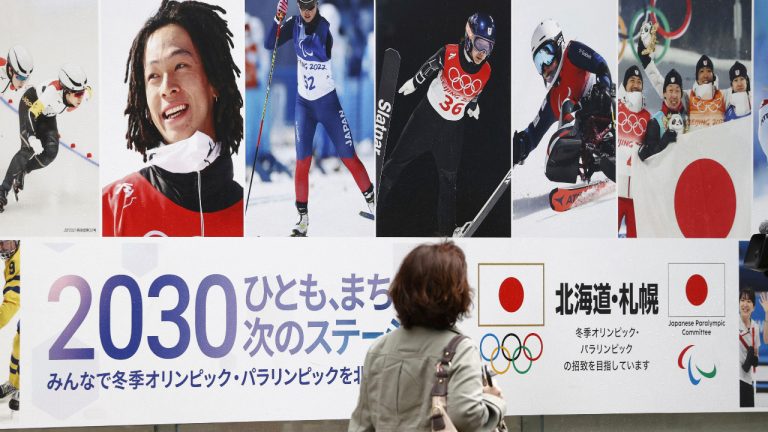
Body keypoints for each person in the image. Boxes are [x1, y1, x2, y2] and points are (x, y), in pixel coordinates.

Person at [102, 0, 244, 237]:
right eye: (154, 76)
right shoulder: (111, 207)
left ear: (214, 81)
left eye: (180, 65)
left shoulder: (251, 215)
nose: (167, 88)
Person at [349, 241, 506, 431]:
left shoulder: (379, 348)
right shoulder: (461, 349)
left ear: (401, 287)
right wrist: (493, 401)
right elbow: (466, 416)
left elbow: (361, 425)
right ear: (456, 291)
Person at [378, 13, 495, 236]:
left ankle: (446, 235)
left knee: (449, 184)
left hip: (451, 131)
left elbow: (476, 90)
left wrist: (472, 105)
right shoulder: (450, 52)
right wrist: (414, 82)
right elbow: (429, 67)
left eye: (489, 47)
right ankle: (376, 204)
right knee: (395, 166)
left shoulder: (487, 71)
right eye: (480, 44)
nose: (483, 52)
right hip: (426, 119)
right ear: (469, 38)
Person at [265, 0, 375, 237]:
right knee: (302, 162)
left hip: (327, 104)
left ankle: (373, 200)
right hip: (304, 105)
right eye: (303, 7)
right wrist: (278, 19)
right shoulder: (294, 23)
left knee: (348, 156)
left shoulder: (323, 26)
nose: (307, 12)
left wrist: (295, 32)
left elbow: (317, 50)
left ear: (316, 6)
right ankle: (302, 219)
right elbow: (268, 44)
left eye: (311, 7)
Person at [513, 19, 614, 185]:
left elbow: (601, 65)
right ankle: (589, 167)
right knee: (566, 113)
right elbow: (534, 132)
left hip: (603, 110)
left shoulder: (572, 52)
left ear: (558, 43)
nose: (545, 66)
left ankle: (612, 147)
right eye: (539, 62)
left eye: (547, 54)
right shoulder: (553, 97)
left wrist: (604, 88)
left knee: (576, 104)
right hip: (584, 135)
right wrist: (520, 146)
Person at [0, 64, 90, 212]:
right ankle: (2, 191)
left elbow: (88, 91)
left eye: (83, 92)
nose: (81, 97)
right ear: (66, 91)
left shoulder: (84, 94)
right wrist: (32, 138)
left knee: (51, 152)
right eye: (77, 94)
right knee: (27, 149)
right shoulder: (52, 93)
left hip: (48, 114)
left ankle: (23, 171)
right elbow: (31, 114)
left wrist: (84, 92)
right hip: (30, 104)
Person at [637, 23, 724, 131]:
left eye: (709, 71)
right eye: (701, 71)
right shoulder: (687, 98)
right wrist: (643, 54)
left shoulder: (724, 97)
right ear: (696, 77)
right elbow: (659, 82)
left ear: (713, 75)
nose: (705, 75)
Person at [617, 65, 650, 238]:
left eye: (639, 82)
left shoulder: (647, 116)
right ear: (625, 84)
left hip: (636, 194)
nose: (636, 84)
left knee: (635, 239)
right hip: (616, 191)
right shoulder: (617, 108)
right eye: (632, 81)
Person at [638, 69, 687, 161]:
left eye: (677, 91)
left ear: (681, 94)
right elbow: (648, 159)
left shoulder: (687, 119)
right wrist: (663, 142)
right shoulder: (655, 121)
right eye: (670, 90)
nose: (674, 95)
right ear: (664, 93)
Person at [739, 287, 768, 408]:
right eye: (742, 300)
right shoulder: (730, 323)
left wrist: (767, 313)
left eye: (749, 301)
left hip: (746, 381)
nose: (745, 304)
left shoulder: (755, 327)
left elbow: (766, 339)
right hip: (731, 381)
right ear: (739, 303)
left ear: (754, 307)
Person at [0, 240, 20, 411]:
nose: (1, 248)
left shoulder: (18, 260)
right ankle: (14, 384)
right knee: (18, 342)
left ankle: (21, 388)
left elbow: (13, 300)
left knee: (23, 344)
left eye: (3, 243)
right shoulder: (13, 255)